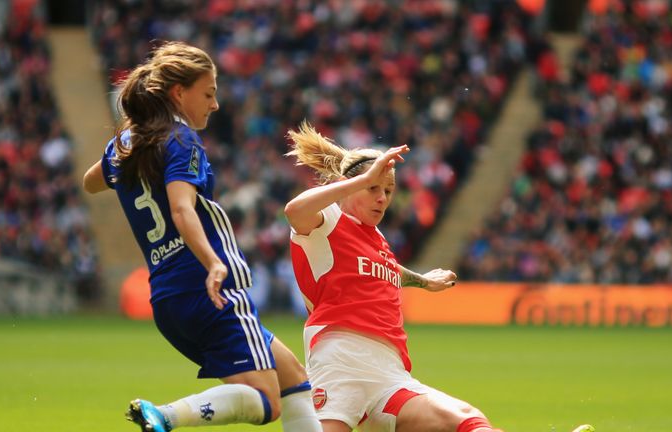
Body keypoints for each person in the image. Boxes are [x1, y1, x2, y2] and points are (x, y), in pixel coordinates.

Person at [283, 121, 595, 432]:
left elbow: (386, 272)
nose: (382, 198)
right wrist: (363, 178)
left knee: (466, 420)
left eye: (388, 191)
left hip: (389, 372)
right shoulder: (327, 221)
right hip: (341, 359)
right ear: (346, 184)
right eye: (373, 188)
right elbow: (294, 211)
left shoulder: (376, 238)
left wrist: (422, 281)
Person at [82, 41, 321, 432]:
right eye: (208, 94)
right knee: (266, 401)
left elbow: (90, 183)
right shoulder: (181, 140)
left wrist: (124, 152)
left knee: (292, 376)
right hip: (208, 288)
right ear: (179, 93)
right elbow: (181, 209)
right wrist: (213, 262)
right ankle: (165, 415)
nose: (215, 104)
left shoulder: (124, 145)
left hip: (168, 299)